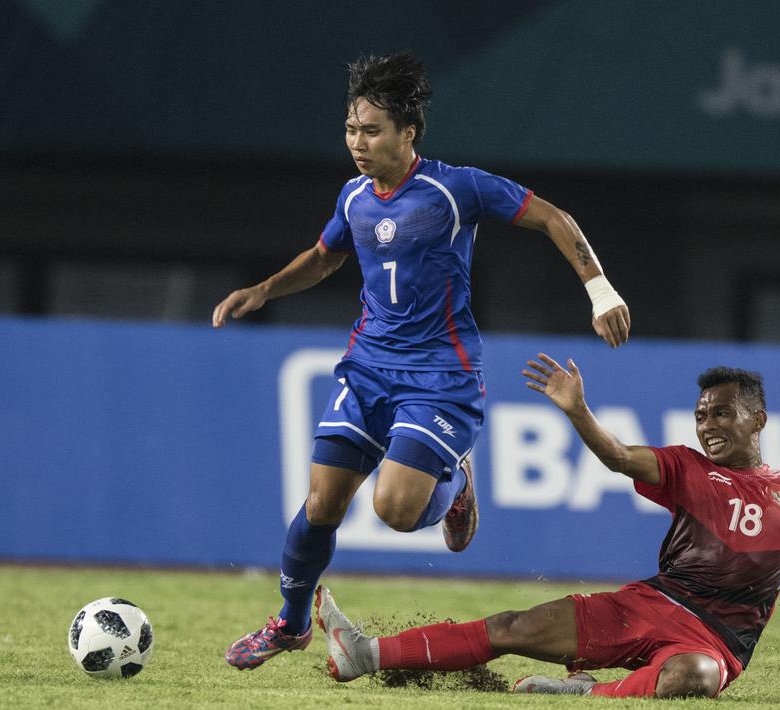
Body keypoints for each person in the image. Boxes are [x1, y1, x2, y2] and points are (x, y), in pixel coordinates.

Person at [212, 52, 631, 670]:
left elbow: (552, 217)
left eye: (372, 130)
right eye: (351, 129)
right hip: (367, 368)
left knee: (396, 511)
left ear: (408, 133)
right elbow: (325, 257)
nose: (358, 143)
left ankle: (455, 484)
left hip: (440, 377)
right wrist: (264, 290)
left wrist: (600, 290)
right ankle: (290, 624)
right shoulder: (355, 195)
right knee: (321, 506)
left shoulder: (455, 189)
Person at [315, 356, 780, 703]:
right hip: (651, 604)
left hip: (716, 642)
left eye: (721, 414)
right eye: (701, 415)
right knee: (512, 626)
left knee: (694, 678)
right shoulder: (685, 466)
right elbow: (617, 456)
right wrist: (577, 411)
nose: (707, 425)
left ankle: (590, 691)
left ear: (757, 419)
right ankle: (364, 653)